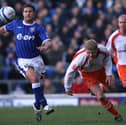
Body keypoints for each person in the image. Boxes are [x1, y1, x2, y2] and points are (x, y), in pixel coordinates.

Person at [0, 4, 54, 122]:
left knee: (42, 83)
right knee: (34, 79)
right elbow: (2, 30)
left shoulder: (39, 28)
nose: (27, 13)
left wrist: (45, 47)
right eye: (25, 11)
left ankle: (36, 104)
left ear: (33, 14)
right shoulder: (16, 24)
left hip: (37, 59)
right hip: (23, 60)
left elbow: (48, 42)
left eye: (30, 11)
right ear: (22, 13)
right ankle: (44, 104)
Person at [64, 39, 123, 121]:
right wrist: (67, 88)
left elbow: (108, 59)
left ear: (97, 49)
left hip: (101, 70)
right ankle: (117, 115)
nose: (91, 55)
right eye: (89, 53)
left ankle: (101, 87)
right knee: (101, 97)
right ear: (85, 50)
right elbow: (70, 72)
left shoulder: (103, 50)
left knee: (112, 88)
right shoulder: (80, 58)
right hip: (88, 75)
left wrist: (109, 74)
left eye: (93, 52)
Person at [106, 14, 126, 89]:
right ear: (118, 24)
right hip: (122, 66)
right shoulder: (114, 37)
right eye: (121, 22)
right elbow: (107, 54)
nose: (123, 24)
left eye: (125, 22)